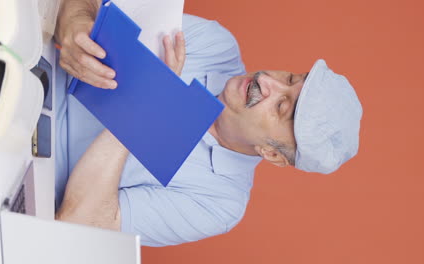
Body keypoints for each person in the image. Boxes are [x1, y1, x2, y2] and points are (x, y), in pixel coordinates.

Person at [54, 0, 363, 247]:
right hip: (24, 69)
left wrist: (143, 107)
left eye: (282, 107)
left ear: (272, 154)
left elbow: (79, 221)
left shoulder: (219, 204)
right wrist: (75, 23)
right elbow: (90, 6)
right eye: (290, 78)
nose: (266, 80)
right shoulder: (217, 47)